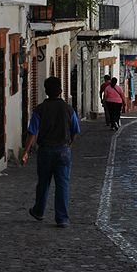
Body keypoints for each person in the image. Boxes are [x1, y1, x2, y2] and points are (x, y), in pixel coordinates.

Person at [22, 76, 80, 227]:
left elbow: (32, 132)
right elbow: (75, 130)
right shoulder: (69, 109)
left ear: (46, 91)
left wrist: (26, 151)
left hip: (46, 150)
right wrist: (69, 144)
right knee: (63, 184)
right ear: (60, 91)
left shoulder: (40, 109)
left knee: (43, 182)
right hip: (64, 150)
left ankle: (39, 210)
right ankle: (62, 218)